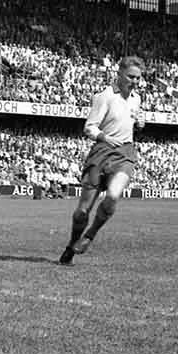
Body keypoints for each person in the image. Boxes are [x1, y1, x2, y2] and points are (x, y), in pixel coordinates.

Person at [59, 56, 144, 266]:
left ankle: (89, 236)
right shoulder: (104, 97)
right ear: (119, 74)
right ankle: (72, 244)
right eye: (131, 76)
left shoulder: (136, 99)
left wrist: (140, 124)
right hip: (101, 152)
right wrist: (105, 137)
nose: (134, 81)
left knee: (113, 196)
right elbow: (90, 127)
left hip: (125, 153)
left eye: (138, 78)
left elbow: (132, 122)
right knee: (82, 211)